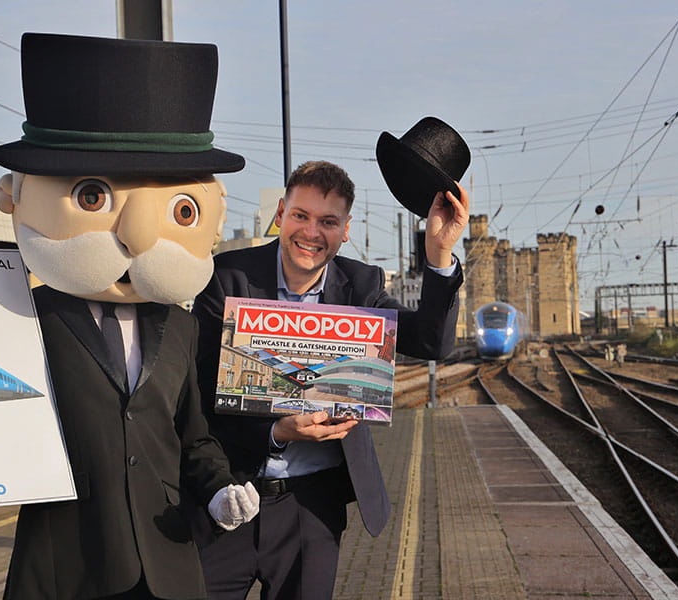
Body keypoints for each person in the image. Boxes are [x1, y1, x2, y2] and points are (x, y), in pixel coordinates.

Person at [0, 34, 260, 600]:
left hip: (167, 561)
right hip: (69, 562)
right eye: (92, 197)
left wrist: (218, 490)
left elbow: (193, 438)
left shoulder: (178, 325)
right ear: (13, 196)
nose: (136, 236)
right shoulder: (18, 316)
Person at [189, 159, 469, 599]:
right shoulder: (227, 278)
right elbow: (201, 391)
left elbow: (433, 343)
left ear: (346, 229)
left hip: (311, 508)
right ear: (280, 214)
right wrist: (275, 432)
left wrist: (438, 254)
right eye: (301, 215)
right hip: (228, 493)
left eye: (328, 221)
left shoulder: (361, 285)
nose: (311, 232)